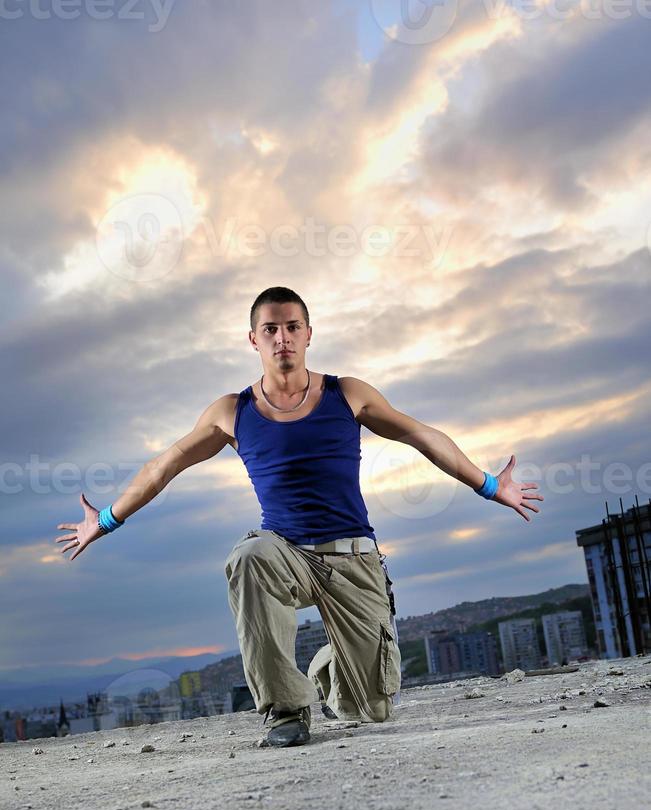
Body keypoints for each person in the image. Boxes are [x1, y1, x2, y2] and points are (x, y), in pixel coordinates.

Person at [55, 286, 544, 747]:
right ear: (253, 339)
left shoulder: (347, 394)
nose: (282, 337)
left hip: (354, 558)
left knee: (368, 709)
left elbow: (422, 435)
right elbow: (163, 466)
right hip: (284, 552)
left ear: (309, 334)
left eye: (292, 326)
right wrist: (106, 519)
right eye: (270, 329)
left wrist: (491, 486)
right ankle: (287, 710)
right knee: (249, 557)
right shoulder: (232, 411)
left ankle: (322, 670)